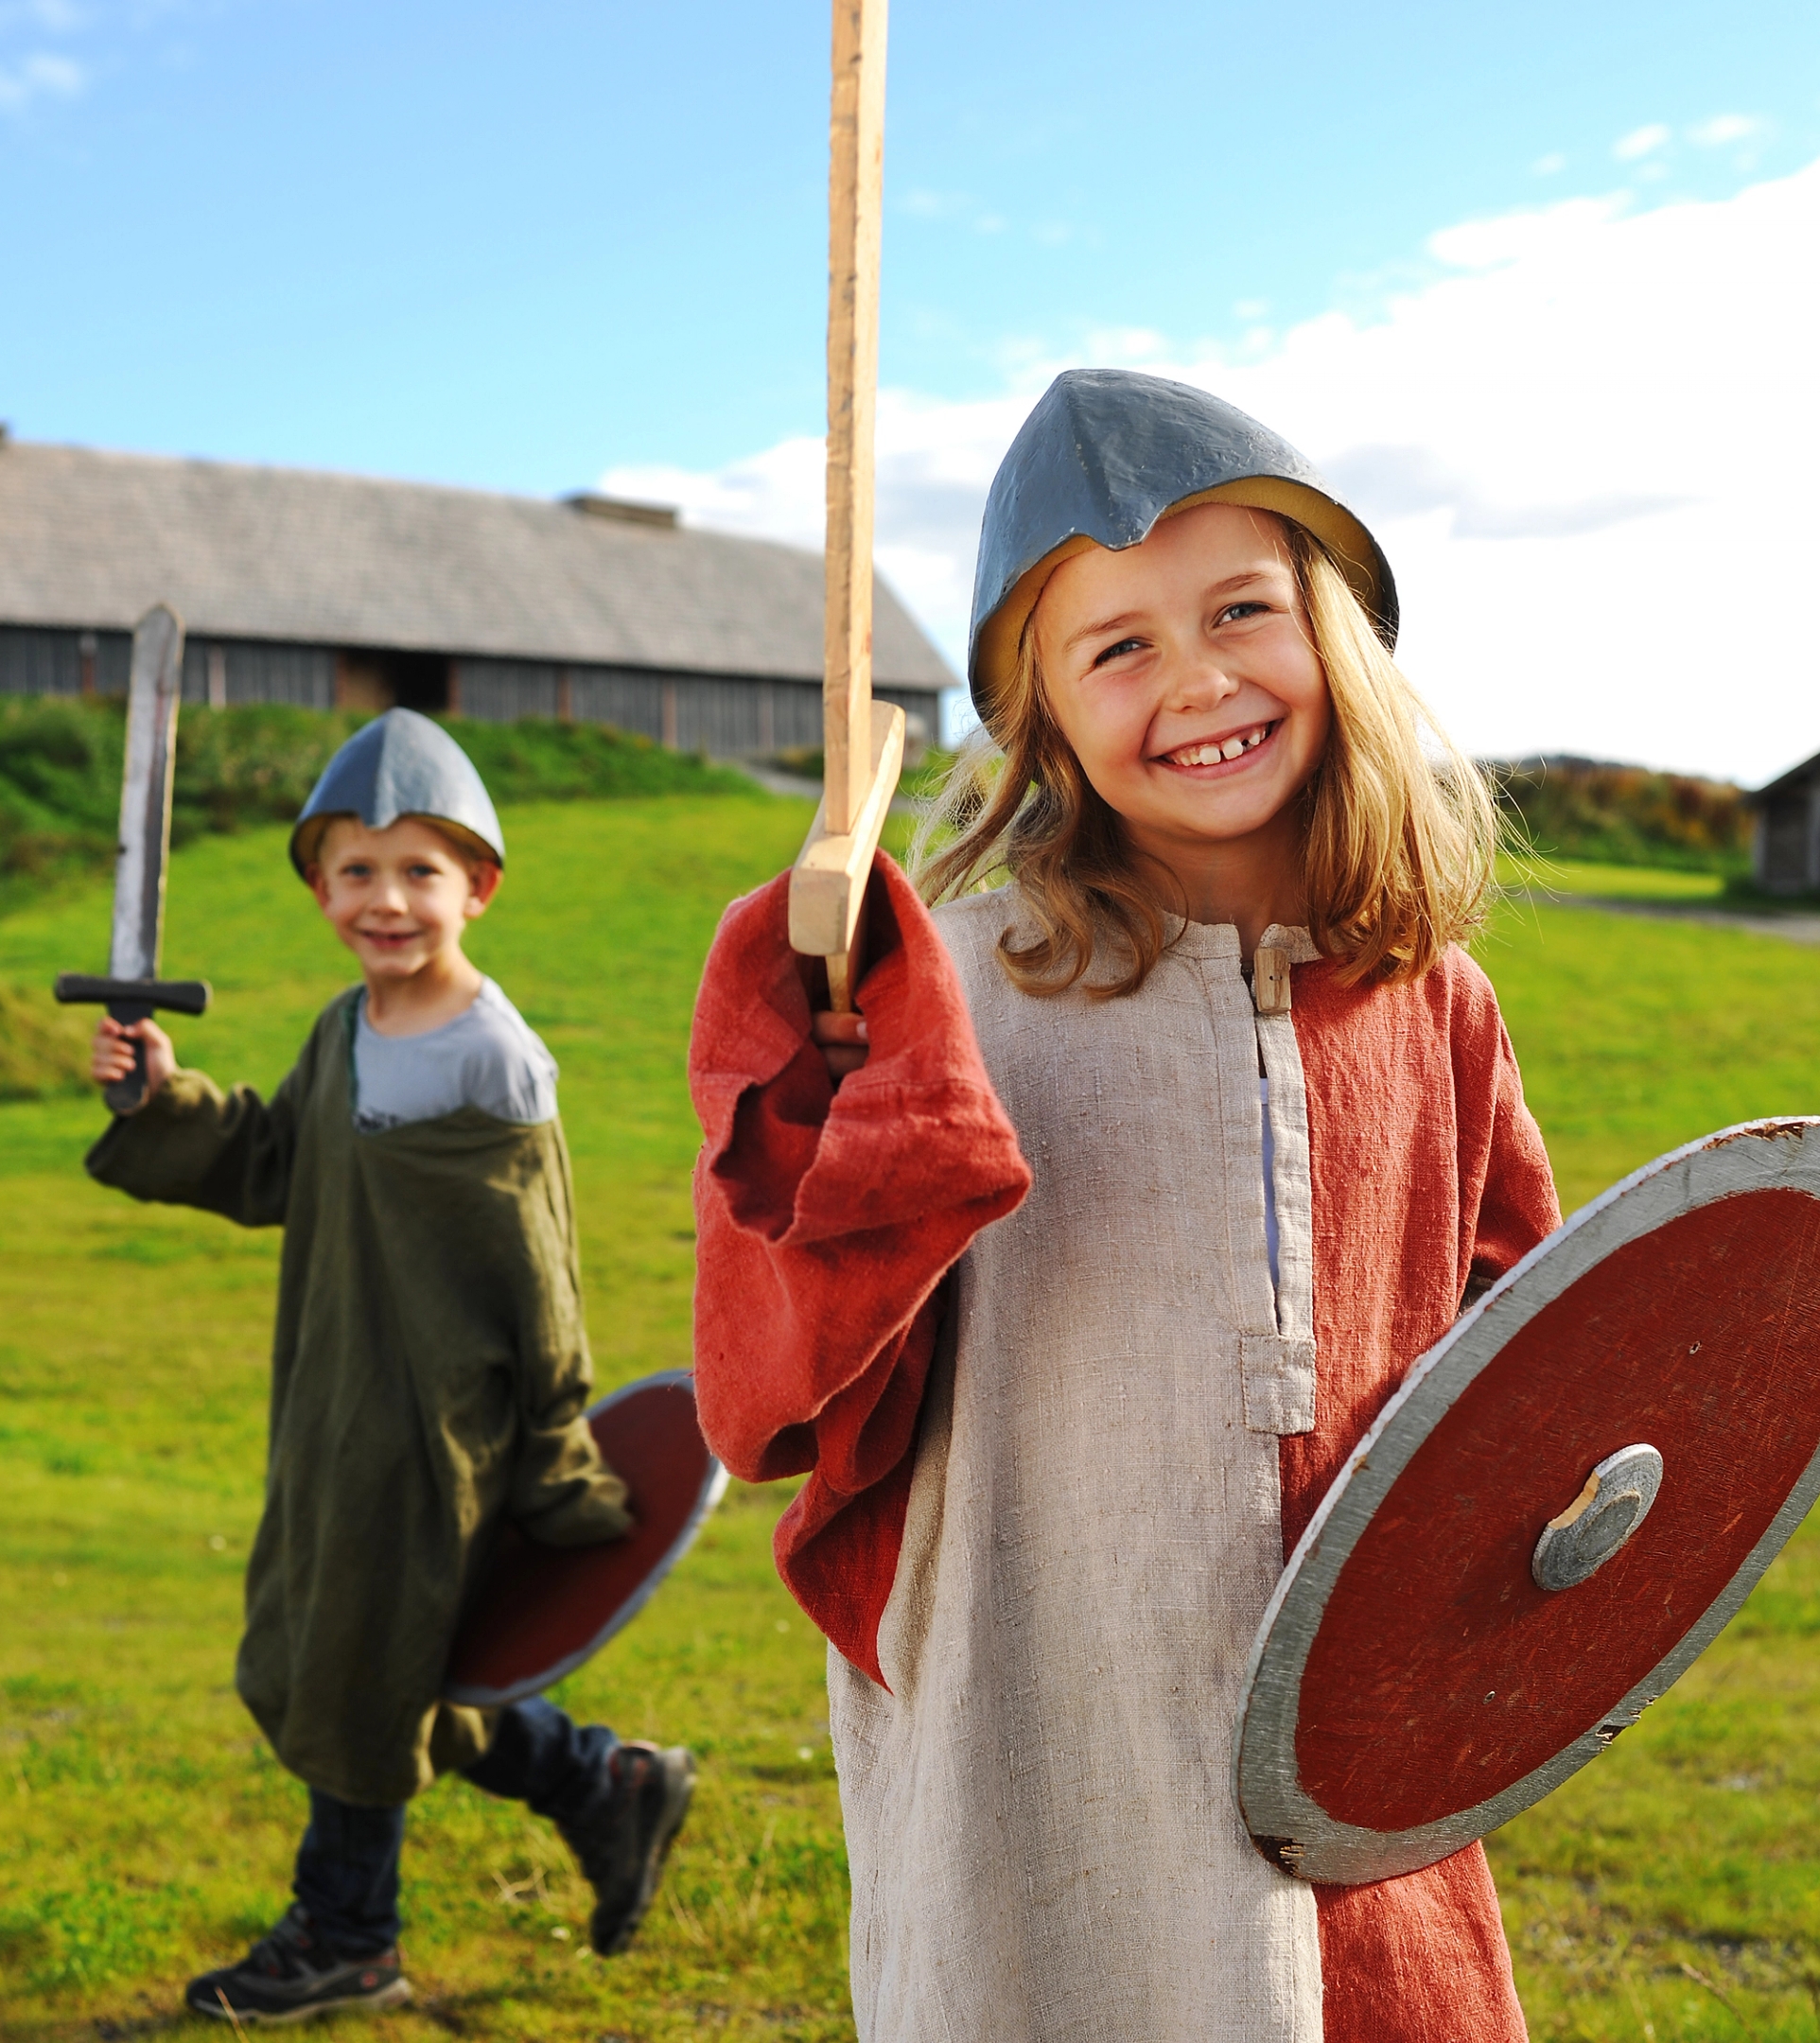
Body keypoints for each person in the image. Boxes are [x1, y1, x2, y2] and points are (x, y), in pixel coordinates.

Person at [686, 370, 1558, 2039]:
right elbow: (778, 1391)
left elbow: (1524, 1361)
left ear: (1337, 640)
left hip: (1341, 1721)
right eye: (1119, 647)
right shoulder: (957, 994)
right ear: (1045, 719)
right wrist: (824, 1103)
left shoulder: (1430, 1001)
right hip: (1047, 1695)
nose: (1200, 680)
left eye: (1242, 610)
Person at [87, 708, 696, 2025]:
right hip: (331, 1403)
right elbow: (272, 1165)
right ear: (319, 889)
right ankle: (606, 1783)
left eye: (419, 869)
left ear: (477, 885)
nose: (387, 899)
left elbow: (542, 1280)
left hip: (440, 1432)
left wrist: (556, 1450)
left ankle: (347, 1935)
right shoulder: (344, 1030)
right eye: (355, 870)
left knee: (361, 1672)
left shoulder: (496, 1060)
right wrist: (159, 1096)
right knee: (343, 1659)